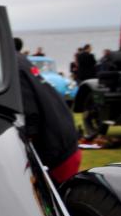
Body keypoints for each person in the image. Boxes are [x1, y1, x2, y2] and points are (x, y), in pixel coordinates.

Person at [15, 37, 81, 184]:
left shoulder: (14, 66)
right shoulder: (21, 60)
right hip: (66, 141)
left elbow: (30, 112)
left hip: (59, 153)